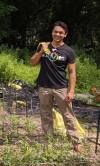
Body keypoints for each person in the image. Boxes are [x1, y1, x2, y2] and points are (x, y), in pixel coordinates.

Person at [30, 21, 81, 152]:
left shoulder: (69, 51)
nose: (57, 34)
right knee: (46, 115)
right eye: (55, 32)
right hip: (44, 87)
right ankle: (49, 142)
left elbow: (71, 72)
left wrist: (71, 91)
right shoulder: (43, 46)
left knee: (68, 116)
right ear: (52, 32)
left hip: (61, 88)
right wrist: (41, 51)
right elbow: (32, 63)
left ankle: (76, 143)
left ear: (65, 35)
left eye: (60, 33)